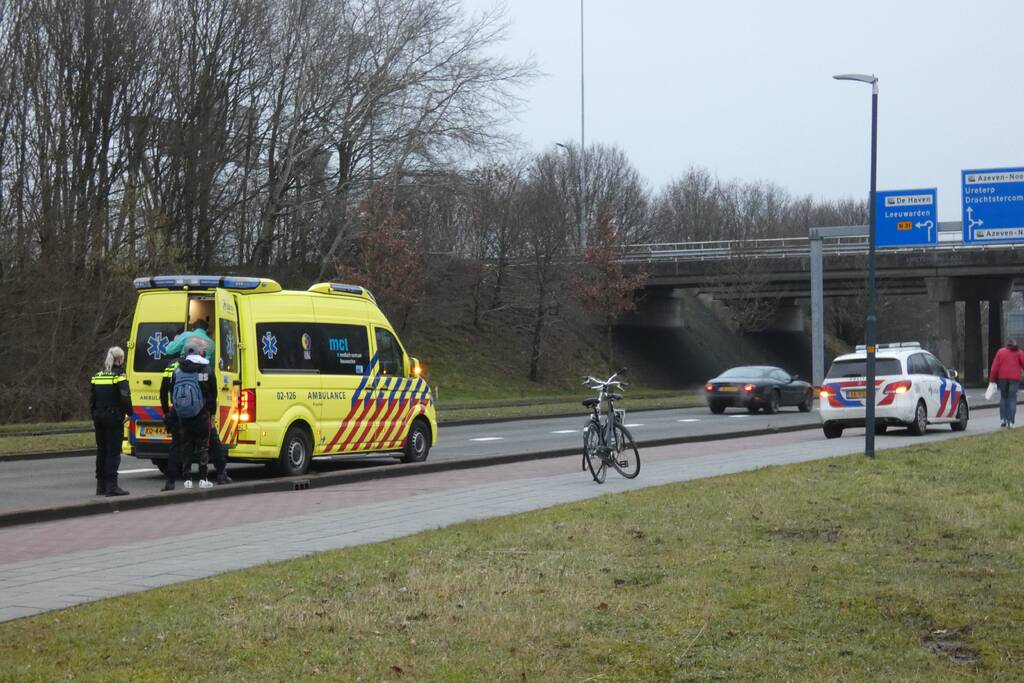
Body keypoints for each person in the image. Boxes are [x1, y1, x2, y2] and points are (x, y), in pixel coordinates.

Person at [163, 343, 216, 489]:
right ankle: (203, 479)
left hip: (183, 414)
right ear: (198, 352)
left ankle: (187, 479)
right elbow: (213, 393)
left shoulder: (177, 371)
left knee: (186, 445)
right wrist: (212, 412)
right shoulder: (205, 369)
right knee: (203, 446)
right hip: (201, 413)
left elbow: (172, 392)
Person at [89, 346, 132, 496]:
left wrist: (94, 415)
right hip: (113, 418)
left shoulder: (97, 376)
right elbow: (125, 398)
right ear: (120, 359)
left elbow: (92, 400)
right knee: (113, 452)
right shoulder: (120, 377)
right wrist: (130, 413)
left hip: (99, 417)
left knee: (101, 450)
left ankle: (100, 486)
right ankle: (112, 486)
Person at [989, 337, 1024, 428]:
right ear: (1015, 344)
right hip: (1014, 379)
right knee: (1012, 399)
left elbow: (995, 367)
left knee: (1003, 398)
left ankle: (1004, 419)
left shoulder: (1001, 352)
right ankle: (1011, 421)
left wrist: (992, 379)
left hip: (1002, 379)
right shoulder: (1019, 352)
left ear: (1007, 344)